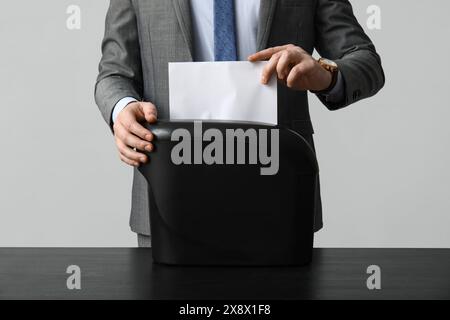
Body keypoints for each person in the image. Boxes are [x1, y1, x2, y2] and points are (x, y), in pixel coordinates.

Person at [95, 0, 385, 247]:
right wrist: (123, 108)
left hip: (278, 194)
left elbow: (365, 61)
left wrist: (325, 72)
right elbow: (114, 73)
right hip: (169, 196)